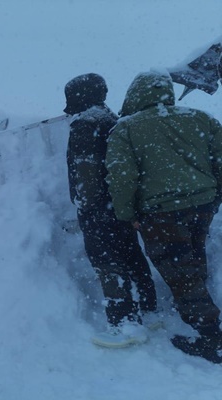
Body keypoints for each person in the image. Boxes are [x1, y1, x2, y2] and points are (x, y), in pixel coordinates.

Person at [106, 70, 222, 364]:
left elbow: (122, 176)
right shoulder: (200, 118)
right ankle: (198, 310)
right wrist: (215, 196)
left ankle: (212, 337)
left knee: (179, 268)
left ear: (134, 95)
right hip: (202, 203)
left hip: (161, 212)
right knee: (192, 257)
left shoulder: (126, 129)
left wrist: (127, 213)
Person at [64, 73, 158, 347]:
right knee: (131, 256)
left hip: (98, 208)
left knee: (107, 263)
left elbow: (86, 172)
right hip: (121, 204)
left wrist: (86, 206)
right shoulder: (113, 120)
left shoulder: (84, 124)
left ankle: (123, 324)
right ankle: (149, 312)